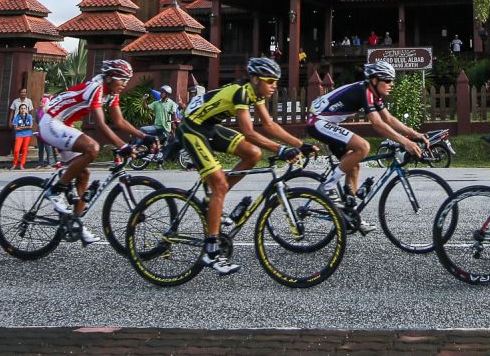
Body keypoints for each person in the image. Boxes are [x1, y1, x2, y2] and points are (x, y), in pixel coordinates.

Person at [180, 57, 315, 273]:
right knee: (219, 185)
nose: (274, 86)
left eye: (275, 82)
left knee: (253, 154)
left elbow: (269, 124)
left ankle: (214, 200)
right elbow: (249, 131)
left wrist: (301, 144)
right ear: (255, 79)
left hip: (209, 127)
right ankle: (211, 252)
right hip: (192, 129)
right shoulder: (240, 92)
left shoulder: (255, 94)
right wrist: (281, 150)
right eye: (270, 81)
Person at [38, 57, 153, 246]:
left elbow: (119, 122)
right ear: (109, 77)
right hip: (51, 121)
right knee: (92, 148)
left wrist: (144, 136)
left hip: (64, 124)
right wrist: (122, 145)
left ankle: (76, 223)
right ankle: (55, 190)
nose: (125, 84)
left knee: (83, 175)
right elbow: (100, 124)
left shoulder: (111, 92)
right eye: (122, 79)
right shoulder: (96, 88)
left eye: (127, 80)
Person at [306, 60, 426, 217]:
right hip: (317, 121)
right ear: (375, 80)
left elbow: (388, 119)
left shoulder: (373, 94)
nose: (392, 84)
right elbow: (377, 124)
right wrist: (405, 142)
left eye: (393, 81)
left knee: (353, 166)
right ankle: (327, 187)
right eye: (388, 80)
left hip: (325, 123)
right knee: (363, 146)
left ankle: (351, 214)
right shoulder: (364, 91)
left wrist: (414, 133)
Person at [11, 102, 35, 168]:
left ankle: (22, 164)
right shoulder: (17, 117)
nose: (23, 110)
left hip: (27, 135)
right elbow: (15, 128)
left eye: (24, 108)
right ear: (19, 109)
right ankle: (15, 163)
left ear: (26, 109)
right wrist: (25, 127)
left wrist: (20, 127)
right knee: (16, 150)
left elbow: (31, 126)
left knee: (24, 149)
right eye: (21, 108)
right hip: (19, 135)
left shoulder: (29, 116)